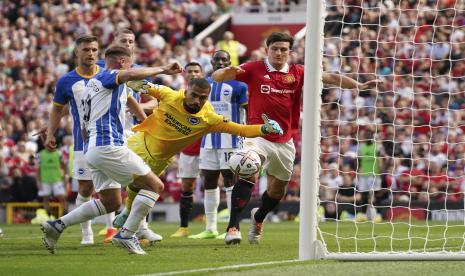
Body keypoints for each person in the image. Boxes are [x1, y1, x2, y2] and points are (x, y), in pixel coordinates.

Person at [212, 32, 382, 245]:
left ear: (289, 52)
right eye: (275, 49)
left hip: (285, 140)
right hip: (257, 134)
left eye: (284, 49)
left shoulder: (299, 72)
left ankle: (258, 217)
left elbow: (330, 77)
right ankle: (233, 228)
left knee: (276, 191)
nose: (279, 53)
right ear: (268, 50)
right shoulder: (253, 68)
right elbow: (218, 77)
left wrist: (359, 85)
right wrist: (224, 72)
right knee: (248, 167)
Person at [40, 45, 182, 255]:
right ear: (123, 62)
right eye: (130, 61)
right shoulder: (109, 76)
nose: (131, 66)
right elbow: (130, 74)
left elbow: (87, 123)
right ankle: (127, 233)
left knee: (111, 201)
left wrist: (145, 123)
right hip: (108, 145)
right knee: (154, 186)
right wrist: (162, 68)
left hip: (93, 148)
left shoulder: (92, 85)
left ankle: (57, 225)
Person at [110, 76, 284, 231]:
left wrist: (263, 129)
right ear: (186, 92)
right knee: (111, 180)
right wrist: (130, 80)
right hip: (139, 143)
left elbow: (240, 130)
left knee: (137, 186)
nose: (197, 101)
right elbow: (142, 84)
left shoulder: (209, 119)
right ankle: (125, 221)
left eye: (202, 98)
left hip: (159, 159)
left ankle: (128, 216)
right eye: (193, 95)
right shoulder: (170, 95)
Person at [98, 28, 162, 244]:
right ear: (114, 42)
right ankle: (110, 228)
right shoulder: (103, 69)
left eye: (130, 41)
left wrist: (140, 107)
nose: (126, 43)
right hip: (106, 132)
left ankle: (139, 227)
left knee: (138, 180)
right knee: (110, 184)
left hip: (131, 131)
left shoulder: (139, 72)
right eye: (122, 40)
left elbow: (156, 100)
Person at [43, 34, 102, 245]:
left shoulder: (106, 75)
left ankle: (120, 229)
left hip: (107, 141)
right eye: (86, 49)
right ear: (76, 52)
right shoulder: (66, 80)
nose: (91, 54)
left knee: (111, 190)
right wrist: (50, 132)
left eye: (94, 50)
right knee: (85, 189)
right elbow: (57, 109)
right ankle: (87, 233)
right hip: (81, 142)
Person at [188, 50, 248, 240]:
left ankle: (232, 226)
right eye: (217, 59)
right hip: (208, 140)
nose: (220, 62)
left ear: (230, 62)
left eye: (224, 60)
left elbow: (249, 109)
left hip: (231, 140)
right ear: (211, 62)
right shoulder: (204, 84)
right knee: (209, 181)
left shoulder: (239, 85)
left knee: (230, 180)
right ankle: (210, 228)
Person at [170, 62, 204, 238]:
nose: (193, 74)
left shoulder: (210, 94)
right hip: (188, 149)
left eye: (196, 71)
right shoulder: (178, 96)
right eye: (190, 71)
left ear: (202, 74)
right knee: (187, 186)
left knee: (216, 183)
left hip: (209, 146)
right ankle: (183, 227)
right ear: (185, 75)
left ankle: (219, 226)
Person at [37, 147, 68, 219]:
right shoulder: (40, 154)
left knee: (62, 197)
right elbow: (37, 169)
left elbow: (64, 165)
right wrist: (38, 181)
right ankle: (49, 216)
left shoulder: (59, 153)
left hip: (57, 179)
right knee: (45, 198)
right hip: (44, 180)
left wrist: (66, 176)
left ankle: (65, 215)